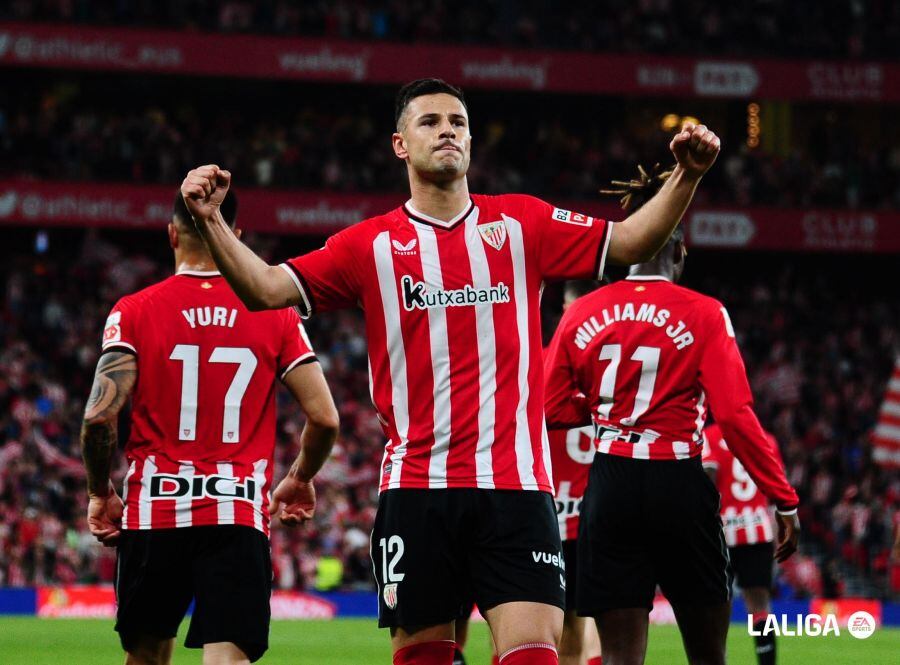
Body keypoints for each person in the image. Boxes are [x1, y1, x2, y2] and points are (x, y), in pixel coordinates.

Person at [180, 78, 721, 665]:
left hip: (514, 487)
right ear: (400, 145)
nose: (447, 131)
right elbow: (263, 290)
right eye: (430, 121)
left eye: (458, 122)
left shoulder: (522, 224)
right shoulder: (368, 246)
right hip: (417, 490)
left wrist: (686, 177)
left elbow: (628, 242)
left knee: (537, 655)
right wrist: (209, 220)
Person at [544, 164, 800, 665]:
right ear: (680, 253)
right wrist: (782, 498)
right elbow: (735, 414)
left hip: (611, 482)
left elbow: (551, 405)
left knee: (619, 658)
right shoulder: (704, 312)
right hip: (680, 481)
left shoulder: (580, 312)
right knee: (708, 656)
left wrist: (604, 409)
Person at [80, 191, 339, 665]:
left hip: (153, 512)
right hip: (235, 512)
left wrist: (101, 491)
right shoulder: (277, 313)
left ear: (171, 235)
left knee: (146, 657)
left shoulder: (134, 310)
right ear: (233, 238)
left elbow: (99, 416)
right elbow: (324, 418)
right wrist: (300, 478)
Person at [549, 280, 603, 665]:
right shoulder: (619, 368)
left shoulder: (539, 361)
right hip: (597, 514)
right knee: (595, 626)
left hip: (546, 514)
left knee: (519, 626)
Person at [702, 423, 783, 665]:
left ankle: (718, 659)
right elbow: (776, 488)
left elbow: (708, 479)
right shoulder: (767, 438)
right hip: (758, 529)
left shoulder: (711, 436)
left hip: (722, 532)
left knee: (717, 606)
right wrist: (778, 535)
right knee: (760, 605)